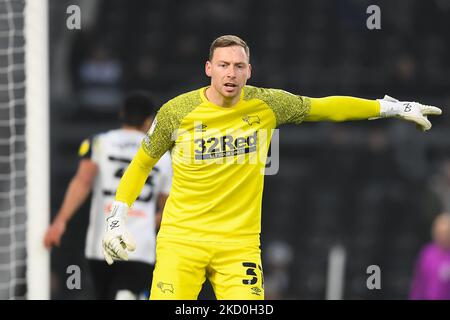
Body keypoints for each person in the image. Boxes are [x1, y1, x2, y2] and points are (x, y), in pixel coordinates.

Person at [101, 35, 442, 300]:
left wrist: (388, 108)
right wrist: (116, 218)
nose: (231, 73)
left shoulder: (267, 104)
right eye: (223, 65)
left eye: (238, 66)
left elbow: (323, 108)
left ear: (249, 71)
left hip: (239, 245)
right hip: (181, 240)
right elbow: (142, 163)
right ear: (208, 68)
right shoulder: (177, 111)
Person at [44, 92, 172, 299]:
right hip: (139, 246)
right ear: (150, 120)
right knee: (128, 293)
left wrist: (60, 221)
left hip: (101, 244)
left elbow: (82, 182)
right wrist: (151, 223)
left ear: (122, 114)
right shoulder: (163, 156)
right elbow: (168, 206)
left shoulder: (99, 143)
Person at [410, 213, 450, 300]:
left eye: (445, 233)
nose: (442, 237)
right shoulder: (427, 254)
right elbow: (418, 284)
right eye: (439, 233)